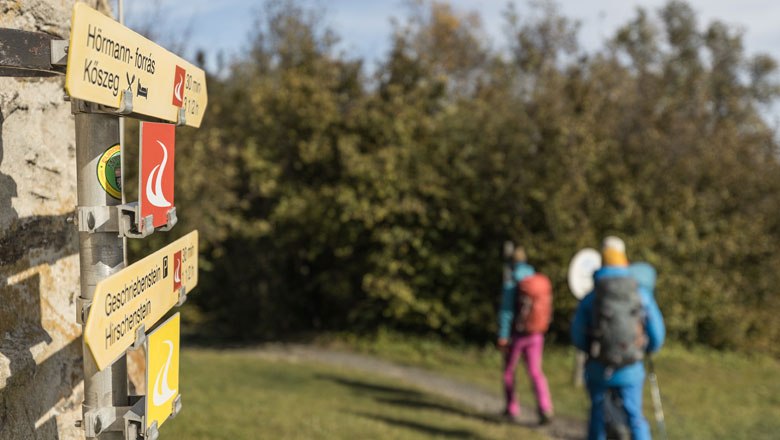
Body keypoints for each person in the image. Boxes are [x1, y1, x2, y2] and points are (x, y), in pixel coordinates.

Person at [571, 236, 665, 440]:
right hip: (631, 366)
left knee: (597, 415)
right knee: (635, 416)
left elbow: (577, 335)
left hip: (598, 367)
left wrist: (589, 350)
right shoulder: (640, 294)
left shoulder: (592, 296)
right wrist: (648, 349)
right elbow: (657, 332)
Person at [497, 246, 554, 424]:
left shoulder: (512, 281)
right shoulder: (535, 279)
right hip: (537, 333)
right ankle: (545, 407)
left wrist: (503, 335)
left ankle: (512, 408)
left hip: (517, 334)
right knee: (535, 372)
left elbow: (506, 312)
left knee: (509, 372)